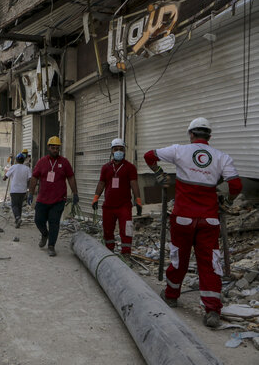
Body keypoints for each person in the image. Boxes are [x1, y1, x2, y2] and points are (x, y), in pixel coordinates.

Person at [144, 117, 242, 328]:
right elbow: (235, 184)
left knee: (179, 258)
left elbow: (149, 156)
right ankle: (212, 310)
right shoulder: (220, 157)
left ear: (191, 134)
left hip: (183, 218)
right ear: (209, 136)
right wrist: (227, 200)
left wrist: (160, 174)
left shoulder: (179, 150)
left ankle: (171, 295)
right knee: (210, 263)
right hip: (209, 220)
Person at [28, 136, 79, 256]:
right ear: (48, 148)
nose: (55, 150)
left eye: (57, 148)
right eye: (53, 148)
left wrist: (75, 193)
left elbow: (71, 177)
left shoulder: (64, 162)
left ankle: (51, 246)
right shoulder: (42, 162)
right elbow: (34, 177)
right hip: (43, 198)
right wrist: (31, 192)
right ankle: (45, 234)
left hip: (58, 199)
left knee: (54, 222)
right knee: (38, 220)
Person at [92, 138, 142, 255]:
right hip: (108, 206)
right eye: (116, 149)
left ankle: (126, 252)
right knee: (108, 231)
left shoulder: (130, 168)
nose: (118, 151)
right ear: (111, 151)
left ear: (124, 151)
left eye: (121, 149)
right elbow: (101, 183)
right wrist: (95, 198)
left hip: (124, 206)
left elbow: (134, 184)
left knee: (127, 230)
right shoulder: (106, 168)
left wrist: (138, 200)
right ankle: (109, 251)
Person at [3, 153, 32, 228]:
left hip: (14, 190)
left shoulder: (13, 167)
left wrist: (5, 177)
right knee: (19, 206)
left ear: (16, 160)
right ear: (23, 160)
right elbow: (30, 179)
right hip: (23, 190)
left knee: (14, 205)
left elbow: (5, 177)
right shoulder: (27, 168)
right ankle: (17, 220)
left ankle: (17, 218)